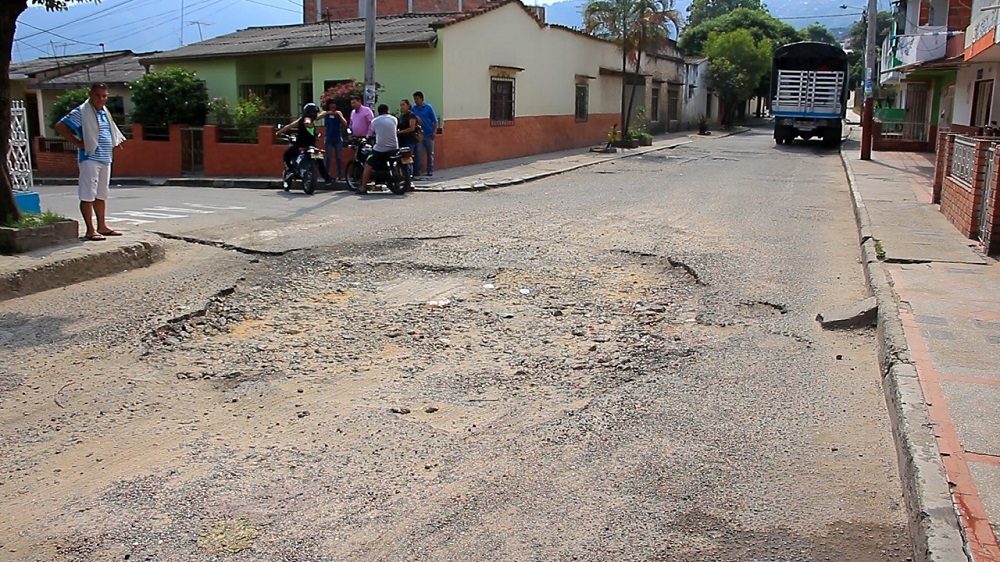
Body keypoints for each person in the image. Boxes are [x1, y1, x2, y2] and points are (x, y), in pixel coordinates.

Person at [54, 82, 126, 241]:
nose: (101, 99)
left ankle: (102, 226)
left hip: (105, 158)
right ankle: (90, 230)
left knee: (101, 194)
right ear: (90, 95)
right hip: (90, 158)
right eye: (98, 95)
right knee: (88, 195)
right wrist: (78, 143)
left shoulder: (104, 112)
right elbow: (60, 126)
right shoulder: (82, 111)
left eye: (104, 96)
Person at [275, 102, 333, 189]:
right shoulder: (309, 120)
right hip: (312, 147)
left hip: (300, 146)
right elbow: (295, 125)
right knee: (320, 161)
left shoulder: (304, 119)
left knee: (286, 155)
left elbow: (291, 125)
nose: (315, 114)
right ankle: (327, 178)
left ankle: (291, 170)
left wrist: (279, 132)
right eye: (314, 112)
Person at [361, 104, 398, 193]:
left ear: (379, 112)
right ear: (387, 110)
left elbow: (371, 133)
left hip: (380, 149)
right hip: (394, 147)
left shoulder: (375, 121)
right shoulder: (394, 119)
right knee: (395, 162)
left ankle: (363, 187)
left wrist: (368, 137)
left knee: (368, 164)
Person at [411, 91, 438, 177]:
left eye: (417, 99)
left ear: (422, 99)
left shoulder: (428, 108)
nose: (415, 101)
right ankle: (418, 171)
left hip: (429, 134)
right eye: (414, 99)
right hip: (419, 135)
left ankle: (430, 170)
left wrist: (434, 132)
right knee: (418, 154)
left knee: (430, 154)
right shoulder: (414, 109)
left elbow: (435, 121)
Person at [322, 99, 348, 180]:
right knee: (328, 157)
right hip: (329, 138)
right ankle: (326, 175)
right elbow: (318, 117)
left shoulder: (338, 113)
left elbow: (345, 123)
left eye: (334, 106)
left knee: (339, 157)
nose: (333, 108)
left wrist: (339, 115)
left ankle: (340, 175)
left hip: (337, 138)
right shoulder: (326, 114)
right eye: (331, 106)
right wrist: (326, 113)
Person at [396, 99, 420, 175]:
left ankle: (409, 176)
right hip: (402, 140)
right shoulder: (402, 116)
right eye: (401, 105)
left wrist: (400, 132)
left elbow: (412, 128)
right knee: (402, 159)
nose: (402, 107)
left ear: (408, 106)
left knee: (407, 159)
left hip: (410, 140)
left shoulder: (411, 115)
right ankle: (405, 176)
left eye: (403, 105)